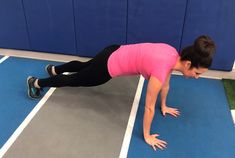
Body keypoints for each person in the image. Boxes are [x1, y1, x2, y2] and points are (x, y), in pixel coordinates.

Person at [27, 35, 216, 151]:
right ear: (188, 64)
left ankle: (54, 69)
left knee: (85, 66)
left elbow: (165, 84)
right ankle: (36, 83)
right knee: (75, 80)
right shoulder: (161, 69)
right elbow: (149, 107)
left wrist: (164, 105)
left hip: (113, 49)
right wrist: (148, 136)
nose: (197, 77)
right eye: (197, 73)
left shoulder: (172, 53)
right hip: (108, 67)